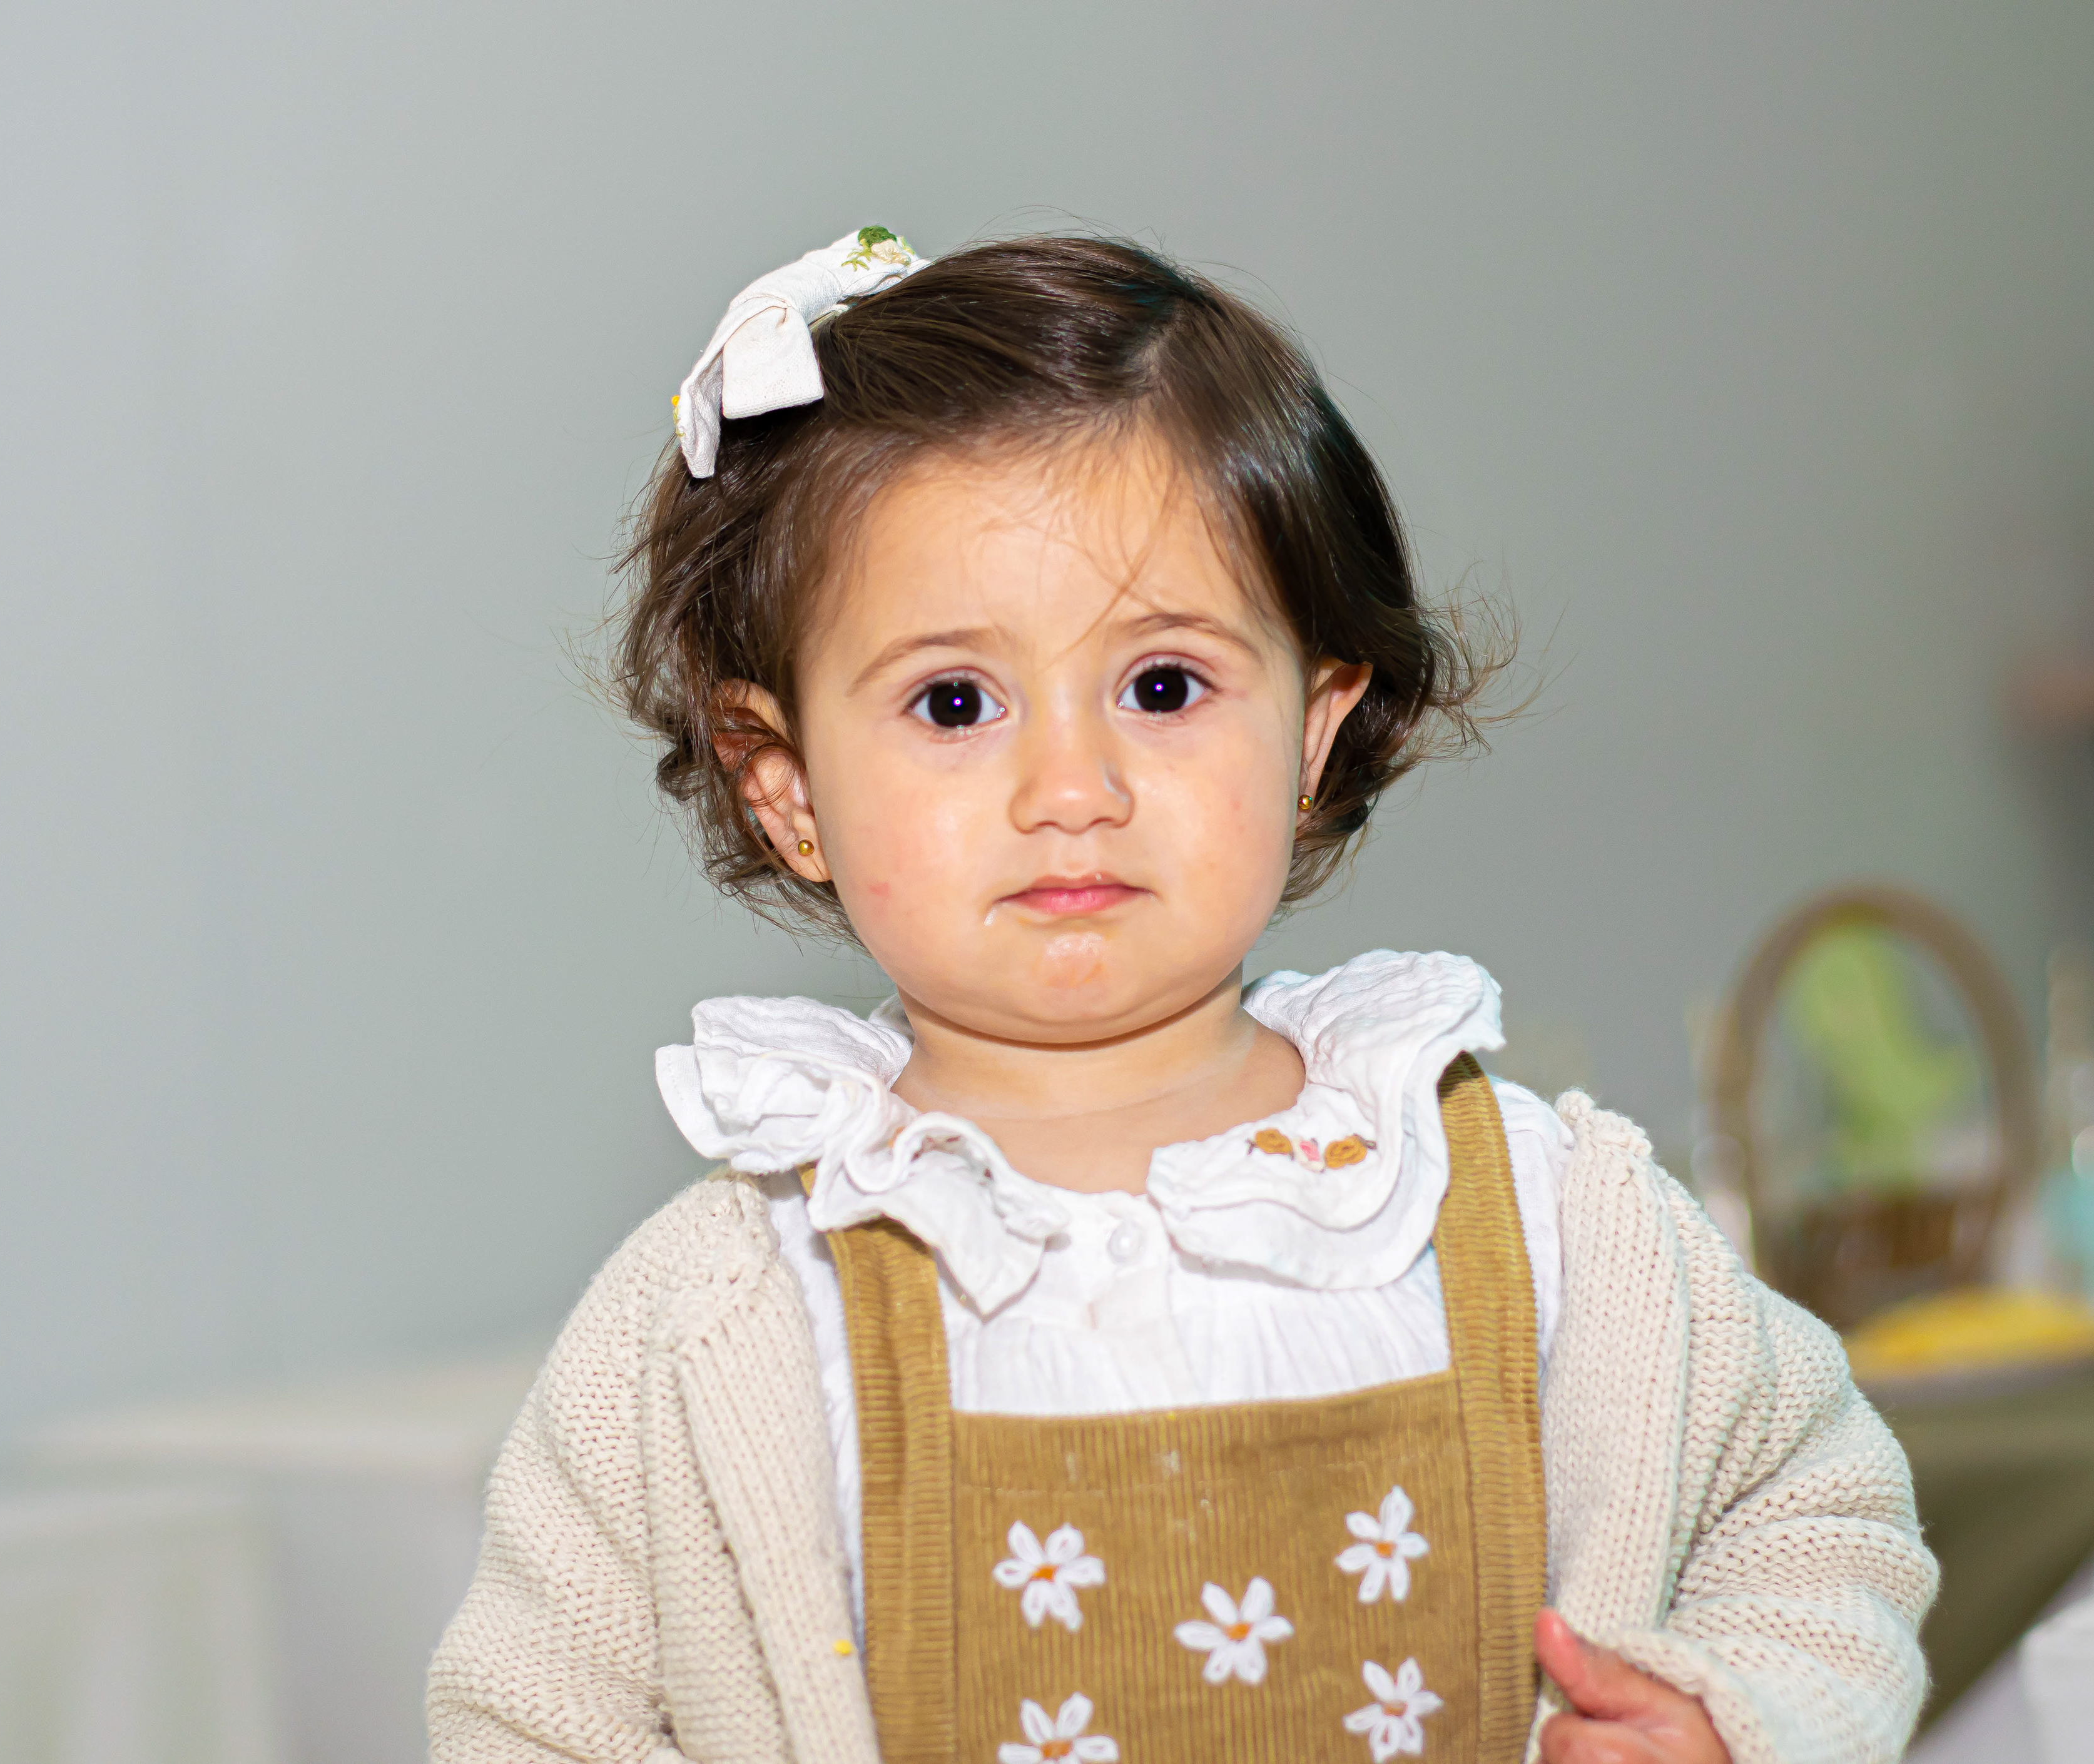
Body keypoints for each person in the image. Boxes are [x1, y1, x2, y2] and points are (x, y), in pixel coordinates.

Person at [427, 227, 1935, 1764]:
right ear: (788, 789)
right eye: (955, 702)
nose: (1071, 786)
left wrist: (1730, 1717)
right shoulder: (720, 1319)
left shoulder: (1545, 1219)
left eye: (1163, 687)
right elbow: (531, 1720)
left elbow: (1812, 1516)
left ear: (1313, 732)